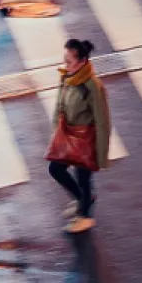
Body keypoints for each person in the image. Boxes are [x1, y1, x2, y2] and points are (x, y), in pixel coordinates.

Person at [48, 39, 110, 234]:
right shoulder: (67, 75)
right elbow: (60, 103)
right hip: (68, 134)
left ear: (82, 61)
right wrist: (55, 129)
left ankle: (85, 217)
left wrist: (100, 155)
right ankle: (83, 199)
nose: (66, 63)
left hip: (85, 138)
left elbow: (103, 121)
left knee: (83, 178)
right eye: (65, 58)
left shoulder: (92, 85)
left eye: (70, 60)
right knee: (55, 169)